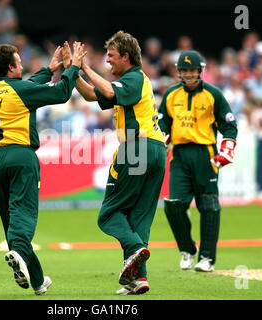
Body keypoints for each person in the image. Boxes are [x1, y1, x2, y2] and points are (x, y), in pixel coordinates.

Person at [64, 31, 166, 295]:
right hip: (155, 150)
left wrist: (85, 65)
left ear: (126, 56)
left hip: (136, 147)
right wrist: (72, 71)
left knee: (109, 214)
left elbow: (107, 88)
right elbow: (90, 95)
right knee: (139, 218)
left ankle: (135, 250)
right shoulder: (129, 83)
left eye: (111, 56)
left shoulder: (132, 78)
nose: (107, 60)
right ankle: (138, 279)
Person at [0, 42, 85, 295]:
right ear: (10, 67)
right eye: (19, 62)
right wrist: (72, 69)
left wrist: (48, 70)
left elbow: (24, 87)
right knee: (23, 213)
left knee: (10, 220)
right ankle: (17, 252)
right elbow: (61, 93)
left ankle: (37, 281)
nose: (23, 65)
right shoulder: (21, 91)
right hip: (20, 156)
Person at [158, 50, 238, 272]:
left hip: (205, 154)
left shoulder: (213, 94)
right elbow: (162, 122)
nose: (189, 74)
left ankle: (207, 259)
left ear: (200, 71)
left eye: (192, 70)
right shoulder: (172, 93)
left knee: (208, 206)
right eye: (184, 70)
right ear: (179, 72)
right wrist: (162, 139)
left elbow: (229, 124)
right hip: (180, 155)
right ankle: (188, 249)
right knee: (174, 205)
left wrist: (227, 149)